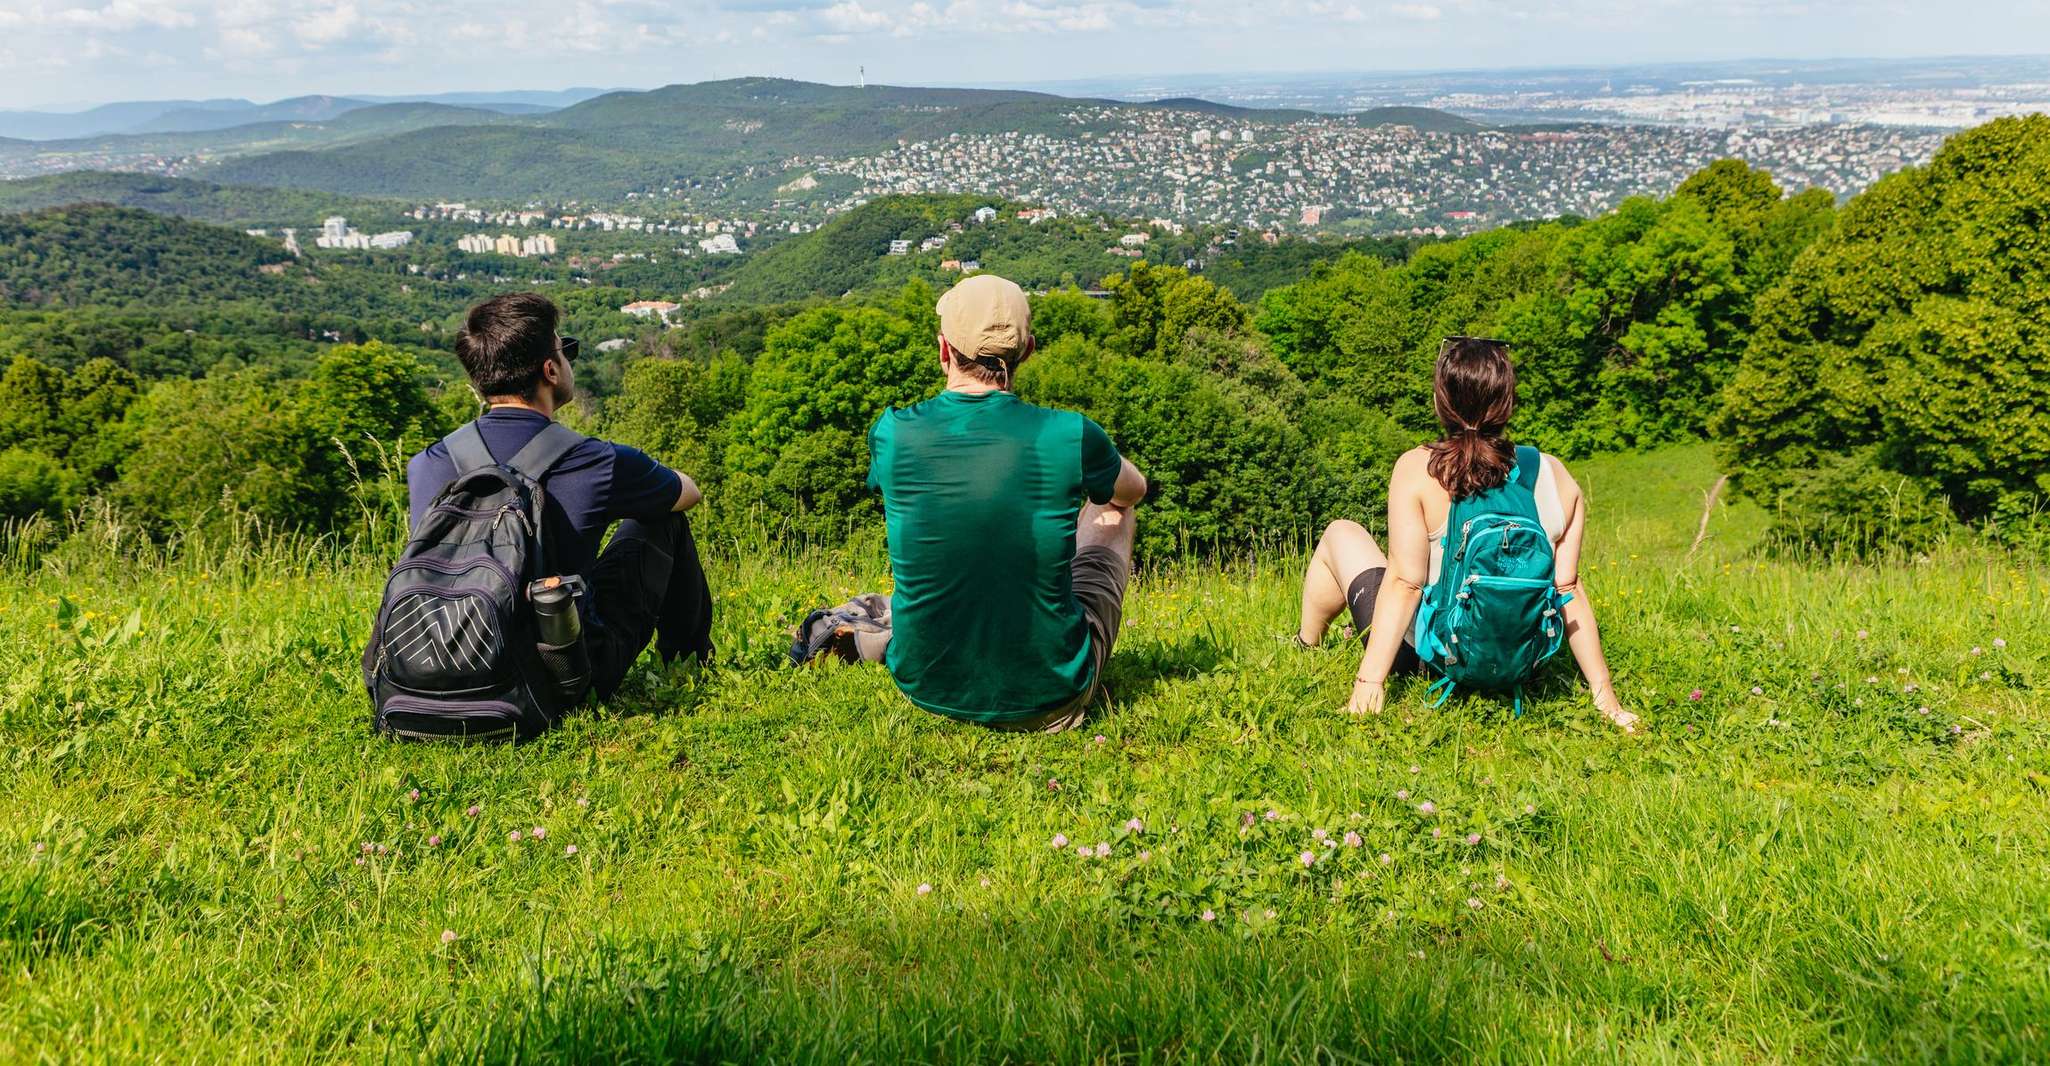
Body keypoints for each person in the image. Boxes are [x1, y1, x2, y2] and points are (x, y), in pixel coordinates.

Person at [1296, 337, 1639, 733]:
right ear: (1507, 400)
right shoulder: (1552, 473)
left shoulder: (1419, 468)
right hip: (1520, 662)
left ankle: (1306, 643)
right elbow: (1568, 588)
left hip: (1429, 659)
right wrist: (1605, 696)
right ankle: (1312, 643)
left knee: (1342, 532)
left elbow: (1406, 583)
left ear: (1443, 399)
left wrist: (1369, 684)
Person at [854, 274, 1149, 732]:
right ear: (1027, 351)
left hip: (925, 687)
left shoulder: (893, 432)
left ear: (944, 351)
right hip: (1052, 698)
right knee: (1112, 509)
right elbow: (1134, 491)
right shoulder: (1069, 432)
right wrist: (1091, 459)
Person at [405, 292, 713, 699]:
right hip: (562, 676)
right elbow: (687, 493)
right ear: (550, 370)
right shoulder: (595, 460)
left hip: (430, 666)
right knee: (663, 518)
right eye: (566, 351)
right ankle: (689, 663)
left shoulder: (428, 462)